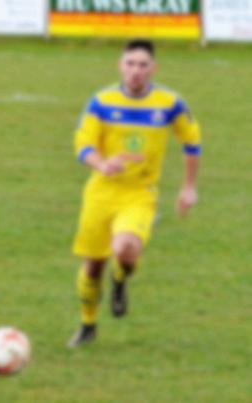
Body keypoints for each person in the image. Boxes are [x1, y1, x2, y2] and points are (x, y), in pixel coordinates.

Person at [68, 39, 201, 348]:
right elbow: (83, 145)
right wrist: (102, 164)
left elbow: (192, 141)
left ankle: (120, 277)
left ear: (154, 68)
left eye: (143, 65)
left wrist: (188, 186)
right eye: (130, 64)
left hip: (140, 193)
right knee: (93, 266)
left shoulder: (170, 103)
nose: (136, 70)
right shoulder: (101, 101)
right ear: (120, 65)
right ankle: (87, 325)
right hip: (101, 193)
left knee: (125, 248)